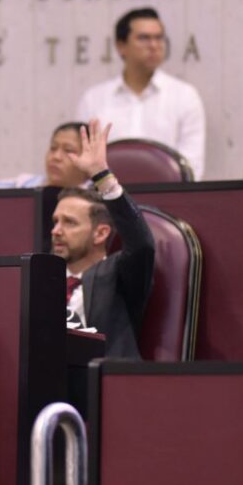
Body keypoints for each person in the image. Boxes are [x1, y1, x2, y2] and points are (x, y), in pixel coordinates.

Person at [48, 119, 155, 359]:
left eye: (70, 223)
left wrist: (101, 175)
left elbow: (142, 244)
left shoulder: (117, 275)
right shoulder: (41, 277)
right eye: (55, 221)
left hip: (102, 385)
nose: (56, 230)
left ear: (101, 233)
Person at [75, 7, 207, 178]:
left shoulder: (185, 96)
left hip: (167, 199)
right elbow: (85, 160)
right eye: (144, 38)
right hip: (104, 199)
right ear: (121, 46)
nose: (154, 45)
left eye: (159, 38)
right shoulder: (93, 98)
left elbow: (192, 166)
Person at [0, 87, 90, 189]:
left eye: (68, 150)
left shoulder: (100, 197)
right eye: (53, 148)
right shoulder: (26, 186)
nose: (56, 157)